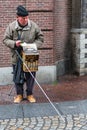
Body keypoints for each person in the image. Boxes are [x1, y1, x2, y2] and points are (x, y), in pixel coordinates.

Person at [3, 5, 44, 103]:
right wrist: (14, 43)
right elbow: (5, 40)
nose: (26, 20)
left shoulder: (34, 26)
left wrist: (33, 46)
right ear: (17, 17)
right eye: (23, 18)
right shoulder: (11, 26)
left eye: (27, 17)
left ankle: (30, 94)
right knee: (17, 76)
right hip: (16, 57)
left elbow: (40, 38)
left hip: (30, 56)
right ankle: (19, 95)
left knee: (30, 76)